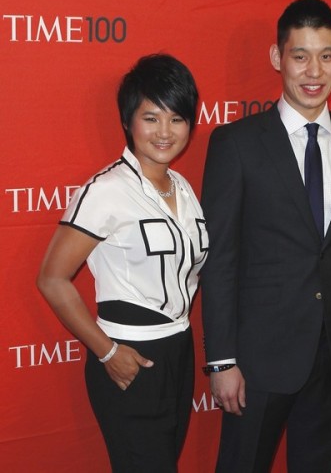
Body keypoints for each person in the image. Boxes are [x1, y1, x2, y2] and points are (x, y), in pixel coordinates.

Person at [201, 0, 331, 473]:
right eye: (300, 55)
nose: (314, 70)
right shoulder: (236, 144)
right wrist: (221, 360)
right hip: (258, 358)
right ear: (276, 58)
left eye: (326, 55)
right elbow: (218, 260)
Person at [37, 54, 208, 473]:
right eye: (151, 118)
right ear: (128, 122)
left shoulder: (183, 188)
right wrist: (107, 351)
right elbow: (52, 279)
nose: (164, 132)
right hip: (130, 356)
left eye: (176, 119)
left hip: (178, 352)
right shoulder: (106, 190)